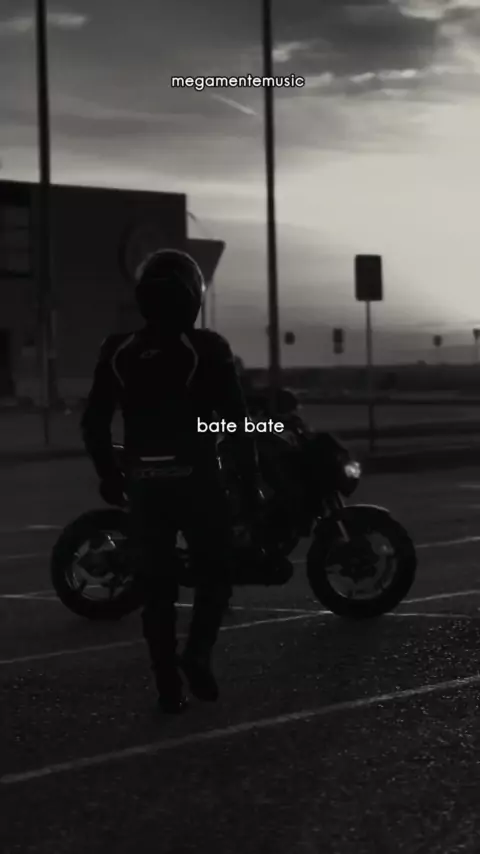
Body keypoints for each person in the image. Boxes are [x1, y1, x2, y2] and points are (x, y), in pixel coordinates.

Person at [81, 248, 262, 714]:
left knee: (156, 587)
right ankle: (197, 653)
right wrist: (251, 483)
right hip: (196, 477)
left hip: (144, 481)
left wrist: (108, 474)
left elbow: (94, 422)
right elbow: (237, 422)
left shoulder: (118, 349)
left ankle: (166, 684)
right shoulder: (207, 347)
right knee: (215, 572)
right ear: (193, 294)